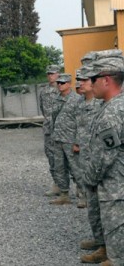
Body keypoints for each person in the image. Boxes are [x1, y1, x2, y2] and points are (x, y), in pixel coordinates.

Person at [82, 52, 124, 266]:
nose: (90, 83)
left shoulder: (112, 112)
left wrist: (89, 179)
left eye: (94, 79)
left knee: (117, 228)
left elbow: (105, 156)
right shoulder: (115, 105)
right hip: (117, 183)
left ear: (106, 80)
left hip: (115, 185)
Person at [74, 64, 108, 264]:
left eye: (85, 80)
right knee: (93, 206)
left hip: (99, 162)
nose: (81, 83)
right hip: (86, 158)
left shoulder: (103, 105)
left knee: (103, 207)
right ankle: (100, 240)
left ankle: (107, 247)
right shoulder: (82, 103)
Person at [49, 73, 82, 205]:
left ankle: (84, 195)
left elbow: (81, 123)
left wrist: (78, 142)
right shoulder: (56, 98)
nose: (60, 85)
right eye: (58, 83)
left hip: (70, 139)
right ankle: (64, 194)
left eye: (62, 83)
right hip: (58, 138)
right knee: (59, 167)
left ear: (69, 84)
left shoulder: (77, 99)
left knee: (76, 168)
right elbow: (53, 118)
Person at [39, 64, 61, 197]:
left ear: (58, 74)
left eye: (53, 73)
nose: (50, 76)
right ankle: (57, 184)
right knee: (51, 156)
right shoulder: (44, 91)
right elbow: (43, 109)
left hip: (64, 129)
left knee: (69, 158)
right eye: (48, 74)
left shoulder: (63, 90)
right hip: (49, 128)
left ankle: (79, 188)